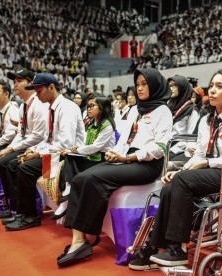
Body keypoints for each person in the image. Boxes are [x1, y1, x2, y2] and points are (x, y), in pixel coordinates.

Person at [128, 69, 222, 270]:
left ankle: (179, 249)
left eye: (219, 87)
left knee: (183, 181)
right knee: (171, 185)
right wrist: (182, 169)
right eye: (211, 85)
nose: (212, 90)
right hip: (212, 172)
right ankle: (157, 247)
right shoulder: (206, 120)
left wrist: (207, 164)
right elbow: (199, 155)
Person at [57, 68, 173, 267]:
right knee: (80, 177)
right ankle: (82, 238)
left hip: (146, 165)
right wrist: (115, 153)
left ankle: (86, 238)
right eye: (138, 85)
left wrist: (128, 158)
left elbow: (159, 148)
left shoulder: (163, 111)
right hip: (126, 158)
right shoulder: (136, 109)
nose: (140, 88)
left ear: (155, 85)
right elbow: (125, 139)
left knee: (94, 179)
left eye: (145, 84)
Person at [3, 73, 85, 231]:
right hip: (57, 152)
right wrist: (33, 150)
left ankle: (30, 216)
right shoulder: (52, 107)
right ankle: (21, 211)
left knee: (25, 168)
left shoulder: (67, 108)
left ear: (52, 88)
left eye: (39, 91)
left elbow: (65, 142)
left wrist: (39, 153)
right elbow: (49, 139)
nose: (36, 94)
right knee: (16, 163)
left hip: (69, 157)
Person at [51, 97, 117, 220]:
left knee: (72, 161)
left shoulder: (107, 125)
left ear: (101, 108)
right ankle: (67, 190)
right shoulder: (92, 123)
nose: (89, 109)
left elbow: (95, 147)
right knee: (68, 157)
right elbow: (86, 144)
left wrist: (76, 150)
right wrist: (73, 149)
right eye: (88, 106)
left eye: (92, 106)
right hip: (91, 157)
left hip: (102, 159)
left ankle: (67, 198)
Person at [0, 70, 48, 220]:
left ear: (30, 84)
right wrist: (9, 148)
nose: (15, 84)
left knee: (10, 164)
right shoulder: (24, 106)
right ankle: (12, 205)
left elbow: (38, 136)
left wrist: (12, 148)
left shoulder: (38, 105)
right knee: (0, 162)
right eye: (15, 81)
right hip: (27, 144)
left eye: (19, 81)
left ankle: (20, 208)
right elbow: (20, 132)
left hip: (37, 145)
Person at [167, 75, 199, 157]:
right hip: (164, 146)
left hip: (178, 149)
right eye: (170, 86)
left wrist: (174, 150)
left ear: (182, 87)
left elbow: (191, 136)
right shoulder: (167, 106)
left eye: (174, 85)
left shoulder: (191, 110)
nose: (171, 88)